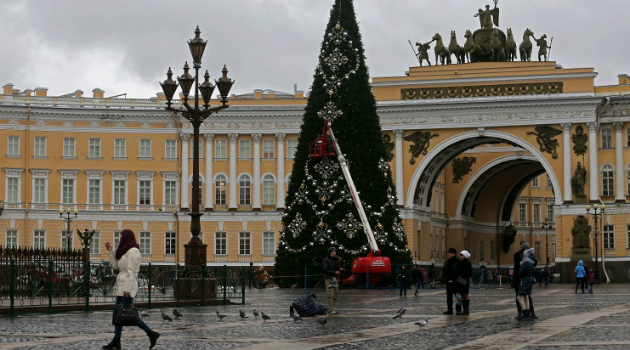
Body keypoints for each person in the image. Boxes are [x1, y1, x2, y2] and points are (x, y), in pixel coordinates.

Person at [103, 229, 159, 350]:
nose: (120, 240)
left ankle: (151, 333)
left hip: (127, 286)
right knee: (119, 314)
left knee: (129, 315)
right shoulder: (125, 251)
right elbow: (116, 266)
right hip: (121, 285)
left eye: (121, 237)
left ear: (127, 237)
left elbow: (131, 271)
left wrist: (127, 289)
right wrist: (111, 252)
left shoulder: (134, 251)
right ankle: (116, 340)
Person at [512, 242, 538, 319]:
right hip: (519, 279)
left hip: (524, 278)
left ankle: (530, 313)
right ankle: (521, 313)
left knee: (526, 296)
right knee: (520, 296)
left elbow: (534, 263)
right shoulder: (518, 255)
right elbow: (518, 267)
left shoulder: (528, 257)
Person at [323, 247, 343, 315]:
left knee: (335, 295)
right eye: (332, 251)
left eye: (334, 251)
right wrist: (334, 272)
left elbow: (341, 270)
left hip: (335, 279)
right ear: (329, 252)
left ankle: (333, 308)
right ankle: (330, 310)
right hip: (329, 279)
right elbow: (325, 270)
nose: (333, 253)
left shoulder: (336, 260)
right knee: (330, 295)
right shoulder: (326, 260)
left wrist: (341, 269)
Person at [517, 248, 536, 320]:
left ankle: (524, 313)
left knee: (519, 297)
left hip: (525, 280)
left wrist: (520, 274)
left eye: (524, 255)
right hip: (530, 280)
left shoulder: (525, 263)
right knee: (526, 297)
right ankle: (528, 313)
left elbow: (520, 273)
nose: (523, 256)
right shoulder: (531, 263)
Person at [442, 248, 461, 315]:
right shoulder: (447, 262)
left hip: (456, 282)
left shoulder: (458, 261)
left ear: (454, 254)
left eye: (450, 253)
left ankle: (458, 310)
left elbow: (460, 272)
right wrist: (445, 278)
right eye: (448, 253)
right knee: (449, 297)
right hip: (448, 282)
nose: (448, 254)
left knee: (457, 297)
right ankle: (450, 310)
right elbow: (444, 270)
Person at [457, 250, 473, 315]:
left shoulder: (468, 263)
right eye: (460, 255)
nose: (460, 256)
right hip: (459, 280)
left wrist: (464, 277)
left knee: (465, 294)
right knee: (458, 295)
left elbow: (469, 273)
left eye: (462, 255)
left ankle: (466, 309)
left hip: (465, 281)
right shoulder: (459, 263)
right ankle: (458, 309)